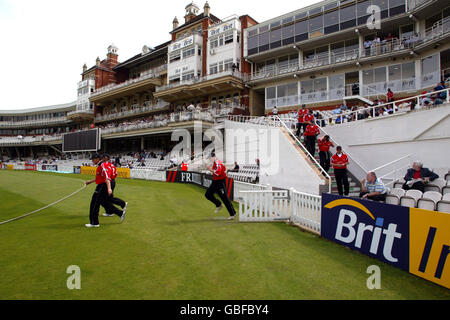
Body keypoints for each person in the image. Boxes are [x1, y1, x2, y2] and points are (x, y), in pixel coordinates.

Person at [84, 154, 125, 228]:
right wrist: (90, 182)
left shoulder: (102, 165)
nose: (92, 161)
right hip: (103, 184)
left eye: (93, 159)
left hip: (103, 185)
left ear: (97, 159)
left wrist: (109, 188)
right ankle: (119, 213)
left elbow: (107, 177)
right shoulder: (101, 165)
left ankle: (94, 222)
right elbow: (100, 177)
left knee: (95, 203)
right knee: (103, 202)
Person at [205, 153, 236, 220]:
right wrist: (211, 169)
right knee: (207, 194)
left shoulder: (218, 163)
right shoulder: (215, 163)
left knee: (225, 198)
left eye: (210, 158)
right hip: (215, 181)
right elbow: (219, 171)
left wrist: (209, 168)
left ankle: (232, 213)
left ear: (213, 157)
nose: (209, 160)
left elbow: (217, 173)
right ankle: (218, 204)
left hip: (220, 182)